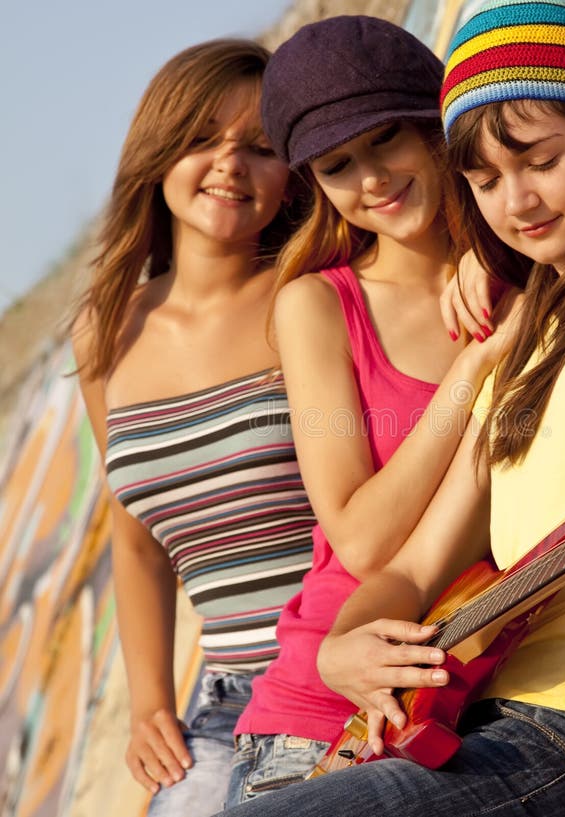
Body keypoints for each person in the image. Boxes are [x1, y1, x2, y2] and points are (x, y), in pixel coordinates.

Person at [215, 2, 565, 815]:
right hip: (477, 726)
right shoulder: (522, 337)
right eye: (484, 180)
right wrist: (346, 646)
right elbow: (410, 569)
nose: (516, 201)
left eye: (541, 161)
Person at [223, 15, 517, 805]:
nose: (371, 180)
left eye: (386, 139)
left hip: (472, 713)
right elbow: (357, 533)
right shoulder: (318, 306)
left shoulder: (523, 268)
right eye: (337, 166)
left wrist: (505, 275)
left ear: (433, 123)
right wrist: (476, 363)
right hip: (319, 720)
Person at [70, 39, 317, 817]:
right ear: (158, 152)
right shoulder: (106, 332)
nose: (229, 165)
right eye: (203, 139)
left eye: (259, 146)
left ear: (292, 173)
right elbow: (136, 535)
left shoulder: (312, 294)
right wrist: (150, 703)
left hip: (332, 676)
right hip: (222, 703)